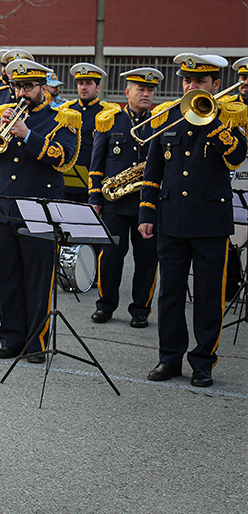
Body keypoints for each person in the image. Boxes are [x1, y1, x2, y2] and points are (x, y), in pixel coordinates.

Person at [140, 53, 247, 388]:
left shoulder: (229, 115)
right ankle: (169, 358)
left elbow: (236, 156)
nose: (191, 86)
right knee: (169, 293)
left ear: (215, 84)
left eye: (199, 82)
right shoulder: (167, 116)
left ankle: (203, 361)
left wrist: (212, 120)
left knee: (208, 294)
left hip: (209, 221)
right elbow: (152, 171)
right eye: (187, 81)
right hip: (171, 218)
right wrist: (146, 212)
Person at [0, 58, 81, 362]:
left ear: (42, 87)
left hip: (38, 208)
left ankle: (35, 343)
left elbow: (64, 157)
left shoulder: (62, 118)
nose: (22, 92)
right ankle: (11, 337)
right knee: (6, 276)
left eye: (29, 87)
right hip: (1, 206)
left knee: (37, 279)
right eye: (18, 86)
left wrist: (27, 134)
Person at [88, 67, 161, 327]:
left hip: (148, 205)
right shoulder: (110, 120)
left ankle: (140, 309)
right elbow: (96, 164)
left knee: (146, 260)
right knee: (110, 258)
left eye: (150, 90)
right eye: (141, 89)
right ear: (127, 92)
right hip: (114, 204)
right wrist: (95, 198)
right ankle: (105, 306)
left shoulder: (160, 121)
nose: (146, 93)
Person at [60, 63, 116, 202]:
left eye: (88, 83)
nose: (83, 87)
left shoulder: (107, 113)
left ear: (98, 88)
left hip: (93, 183)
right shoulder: (66, 111)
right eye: (80, 83)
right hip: (66, 181)